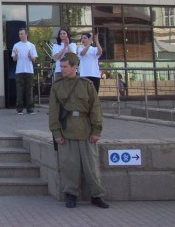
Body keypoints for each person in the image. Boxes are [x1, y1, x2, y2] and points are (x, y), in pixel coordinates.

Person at [49, 52, 109, 209]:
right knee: (69, 166)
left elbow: (95, 109)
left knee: (91, 167)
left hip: (86, 130)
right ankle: (71, 195)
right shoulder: (57, 86)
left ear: (74, 67)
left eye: (65, 66)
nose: (62, 69)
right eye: (61, 66)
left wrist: (96, 130)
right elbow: (53, 112)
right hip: (67, 130)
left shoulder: (86, 85)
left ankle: (97, 195)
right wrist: (56, 133)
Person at [12, 28, 38, 115]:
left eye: (22, 34)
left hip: (29, 71)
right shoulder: (16, 45)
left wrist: (30, 56)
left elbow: (34, 59)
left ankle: (30, 109)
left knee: (29, 91)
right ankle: (19, 109)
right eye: (19, 34)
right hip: (19, 71)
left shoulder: (31, 46)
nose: (20, 35)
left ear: (26, 34)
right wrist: (16, 54)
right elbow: (14, 59)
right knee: (19, 91)